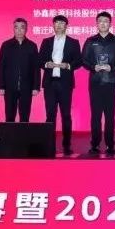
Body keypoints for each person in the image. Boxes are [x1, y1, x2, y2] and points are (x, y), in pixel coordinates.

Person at [82, 11, 115, 156]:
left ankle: (110, 144)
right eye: (100, 21)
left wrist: (111, 67)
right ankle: (94, 144)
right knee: (95, 115)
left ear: (110, 23)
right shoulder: (90, 41)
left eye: (106, 21)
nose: (103, 23)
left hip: (111, 82)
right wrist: (93, 67)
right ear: (97, 23)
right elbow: (84, 60)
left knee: (109, 116)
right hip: (95, 82)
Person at [39, 15, 82, 156]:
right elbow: (39, 60)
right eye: (56, 23)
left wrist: (68, 65)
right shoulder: (46, 42)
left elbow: (79, 61)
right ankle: (49, 145)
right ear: (53, 25)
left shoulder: (73, 42)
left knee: (66, 115)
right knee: (50, 115)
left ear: (66, 26)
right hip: (50, 83)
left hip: (65, 84)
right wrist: (47, 64)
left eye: (61, 23)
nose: (58, 25)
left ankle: (66, 145)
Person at [0, 18, 40, 122]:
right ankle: (10, 133)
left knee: (25, 117)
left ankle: (24, 133)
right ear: (13, 29)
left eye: (22, 27)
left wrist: (36, 87)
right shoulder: (6, 45)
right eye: (16, 27)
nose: (19, 30)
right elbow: (1, 66)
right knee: (9, 116)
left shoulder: (32, 46)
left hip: (27, 87)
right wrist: (0, 86)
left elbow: (36, 67)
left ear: (26, 29)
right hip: (10, 87)